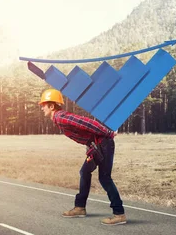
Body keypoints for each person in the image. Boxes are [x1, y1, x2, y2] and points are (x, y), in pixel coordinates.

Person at [39, 88, 127, 226]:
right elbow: (85, 133)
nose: (42, 108)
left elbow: (87, 123)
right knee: (84, 172)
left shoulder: (61, 117)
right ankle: (80, 208)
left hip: (103, 143)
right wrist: (90, 147)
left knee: (104, 178)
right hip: (96, 146)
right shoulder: (58, 118)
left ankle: (119, 214)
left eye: (43, 105)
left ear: (51, 106)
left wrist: (109, 133)